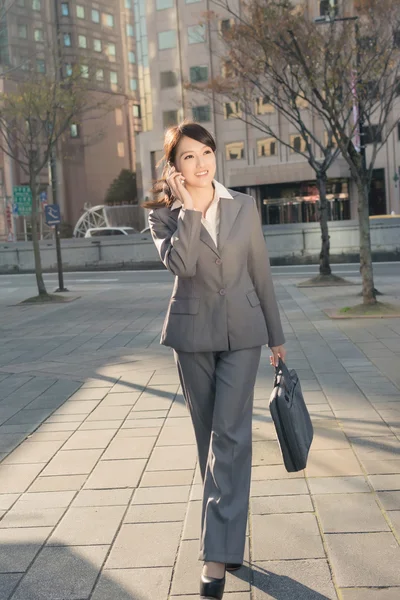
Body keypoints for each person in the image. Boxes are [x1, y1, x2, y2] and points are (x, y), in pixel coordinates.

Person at [145, 121, 286, 600]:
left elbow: (259, 271)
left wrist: (277, 336)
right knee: (210, 440)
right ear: (174, 167)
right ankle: (229, 538)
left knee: (229, 436)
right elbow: (181, 266)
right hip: (192, 337)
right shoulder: (162, 217)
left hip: (244, 333)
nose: (202, 163)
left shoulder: (243, 205)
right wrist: (187, 211)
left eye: (206, 152)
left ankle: (214, 558)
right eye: (189, 156)